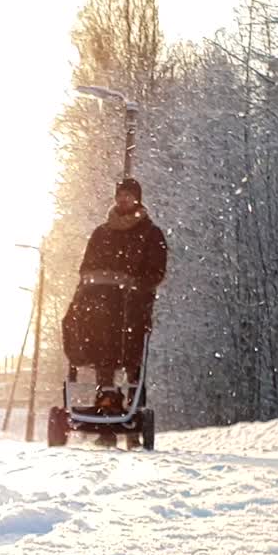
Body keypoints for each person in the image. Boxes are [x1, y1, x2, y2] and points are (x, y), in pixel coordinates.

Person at [61, 177, 168, 418]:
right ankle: (106, 392)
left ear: (137, 199)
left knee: (131, 348)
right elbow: (86, 267)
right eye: (120, 195)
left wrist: (137, 283)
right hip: (102, 303)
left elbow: (157, 270)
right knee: (99, 340)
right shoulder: (102, 233)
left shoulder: (150, 234)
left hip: (134, 303)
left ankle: (133, 399)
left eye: (129, 195)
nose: (124, 199)